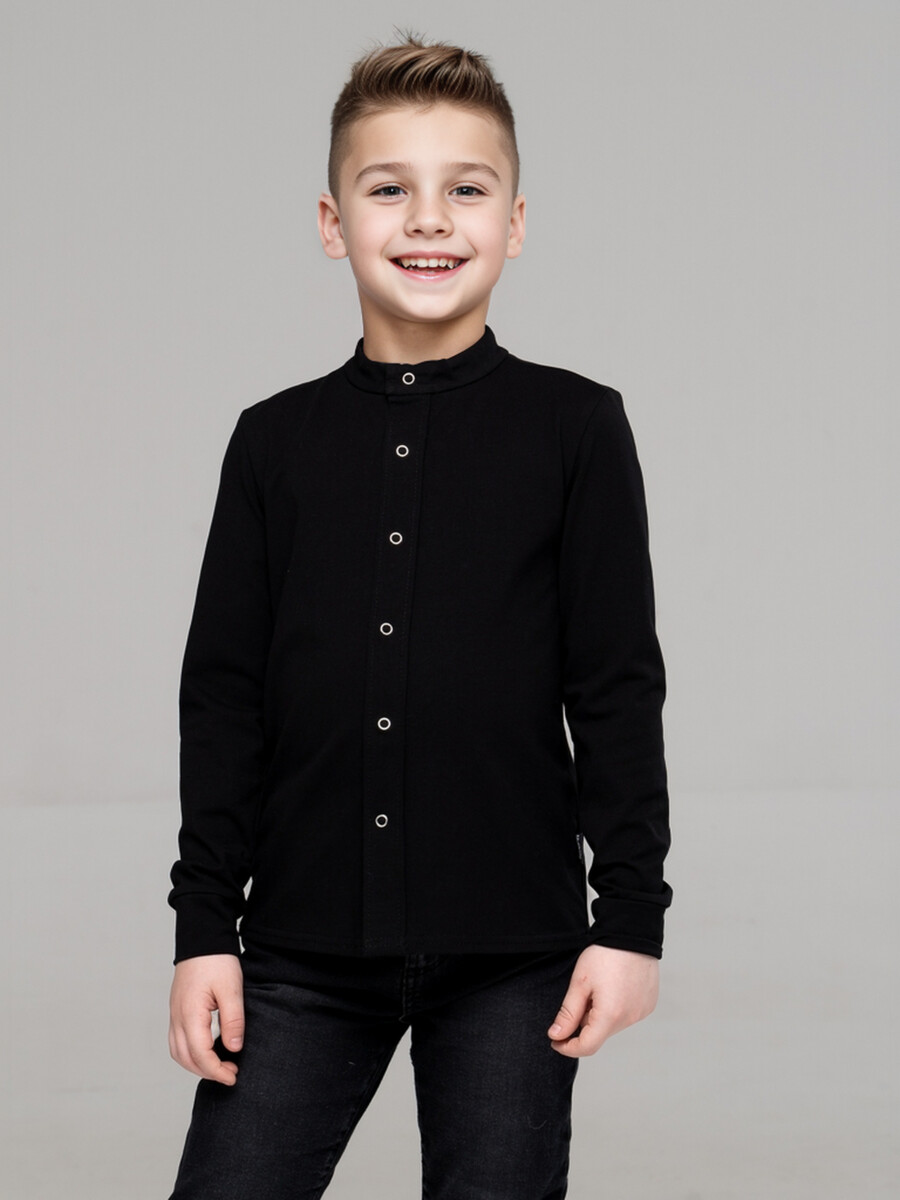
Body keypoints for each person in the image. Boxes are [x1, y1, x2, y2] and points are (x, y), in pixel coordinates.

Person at [166, 31, 673, 1200]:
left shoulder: (577, 430)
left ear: (516, 222)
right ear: (334, 221)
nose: (430, 220)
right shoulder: (273, 442)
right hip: (298, 948)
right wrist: (203, 931)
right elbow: (224, 697)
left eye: (467, 190)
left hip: (516, 953)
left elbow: (614, 688)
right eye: (389, 189)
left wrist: (630, 920)